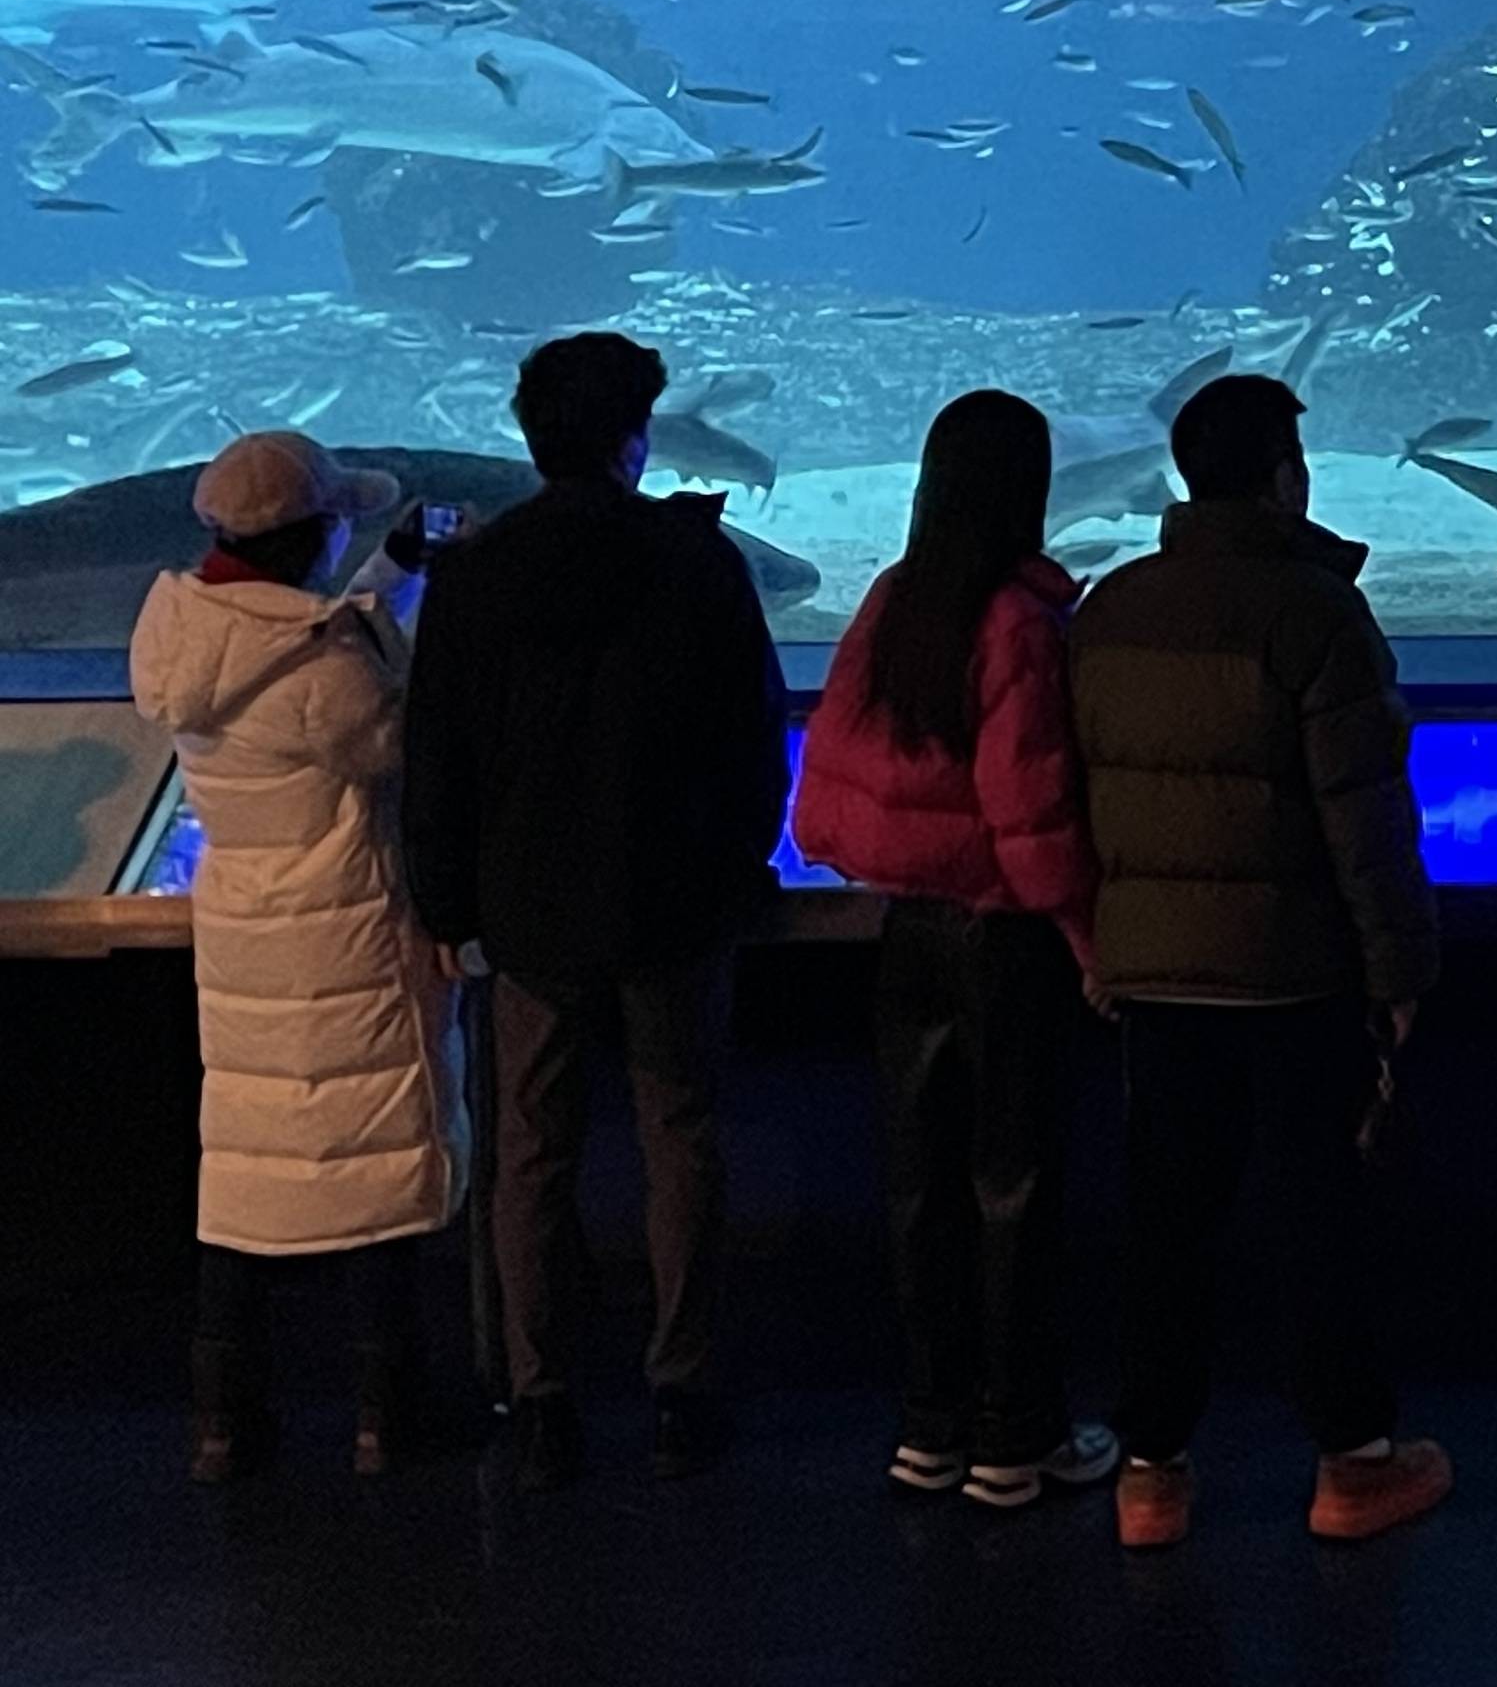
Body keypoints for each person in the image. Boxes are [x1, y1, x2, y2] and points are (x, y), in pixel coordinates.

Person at [402, 333, 789, 1490]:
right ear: (635, 440)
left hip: (529, 918)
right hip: (676, 907)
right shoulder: (696, 565)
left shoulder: (475, 575)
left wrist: (446, 902)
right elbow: (755, 733)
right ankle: (681, 1387)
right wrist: (737, 866)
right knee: (682, 1144)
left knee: (531, 1156)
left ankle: (538, 1397)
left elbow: (440, 760)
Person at [1069, 372, 1448, 1551]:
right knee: (1318, 1217)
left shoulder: (1109, 606)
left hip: (1155, 982)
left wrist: (1104, 943)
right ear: (1288, 476)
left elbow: (1079, 797)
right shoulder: (1314, 612)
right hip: (1294, 975)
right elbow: (1364, 816)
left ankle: (1149, 1476)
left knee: (1165, 1225)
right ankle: (1351, 1466)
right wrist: (1398, 972)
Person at [795, 390, 1117, 1512]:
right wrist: (1083, 936)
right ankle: (1014, 1436)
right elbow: (1029, 811)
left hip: (908, 938)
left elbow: (828, 786)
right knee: (1014, 1187)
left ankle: (928, 1426)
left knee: (919, 1185)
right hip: (1008, 943)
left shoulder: (894, 600)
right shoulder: (1020, 622)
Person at [131, 433, 461, 1483]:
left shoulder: (189, 636)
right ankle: (387, 1413)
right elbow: (386, 732)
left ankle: (224, 1419)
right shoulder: (324, 669)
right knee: (371, 1168)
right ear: (312, 533)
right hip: (344, 924)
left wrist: (388, 580)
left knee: (245, 1176)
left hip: (243, 926)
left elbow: (294, 641)